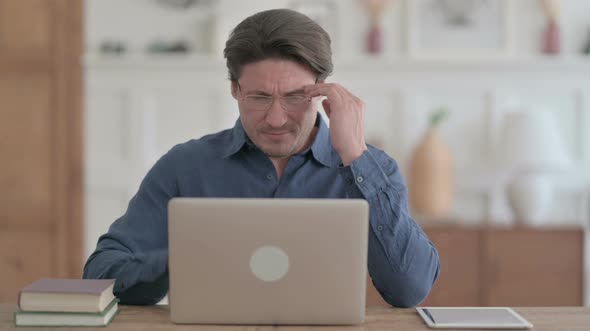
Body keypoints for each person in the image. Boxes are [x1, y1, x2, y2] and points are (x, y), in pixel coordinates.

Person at [83, 8, 440, 308]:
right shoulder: (185, 166)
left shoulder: (371, 169)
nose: (275, 119)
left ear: (323, 89)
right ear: (234, 89)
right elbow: (101, 273)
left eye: (295, 96)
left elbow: (409, 289)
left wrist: (355, 156)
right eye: (258, 97)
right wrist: (184, 258)